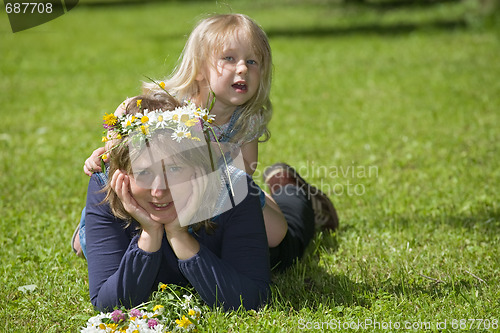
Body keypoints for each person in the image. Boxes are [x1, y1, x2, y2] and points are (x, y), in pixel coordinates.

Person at [76, 14, 338, 256]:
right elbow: (126, 112)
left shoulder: (246, 119)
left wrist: (209, 163)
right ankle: (87, 228)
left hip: (218, 188)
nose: (243, 69)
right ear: (199, 68)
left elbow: (245, 172)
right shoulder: (172, 105)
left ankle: (292, 193)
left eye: (252, 61)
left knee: (276, 235)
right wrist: (107, 150)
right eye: (229, 59)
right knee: (88, 244)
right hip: (159, 189)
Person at [85, 94, 271, 311]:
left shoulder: (234, 191)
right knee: (90, 240)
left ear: (198, 166)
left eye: (174, 169)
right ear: (123, 174)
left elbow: (251, 299)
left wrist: (179, 235)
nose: (159, 190)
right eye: (143, 172)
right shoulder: (106, 189)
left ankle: (288, 188)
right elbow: (108, 305)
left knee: (291, 221)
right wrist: (149, 235)